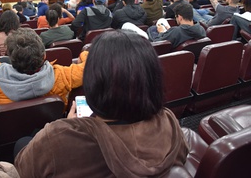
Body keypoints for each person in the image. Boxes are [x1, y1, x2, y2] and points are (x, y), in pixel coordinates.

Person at [14, 30, 189, 177]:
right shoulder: (169, 122)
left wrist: (70, 124)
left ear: (93, 82)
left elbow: (22, 169)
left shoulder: (56, 137)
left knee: (22, 143)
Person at [0, 27, 88, 127]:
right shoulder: (61, 75)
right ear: (44, 56)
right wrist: (84, 54)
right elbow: (88, 67)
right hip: (48, 128)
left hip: (9, 132)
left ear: (11, 59)